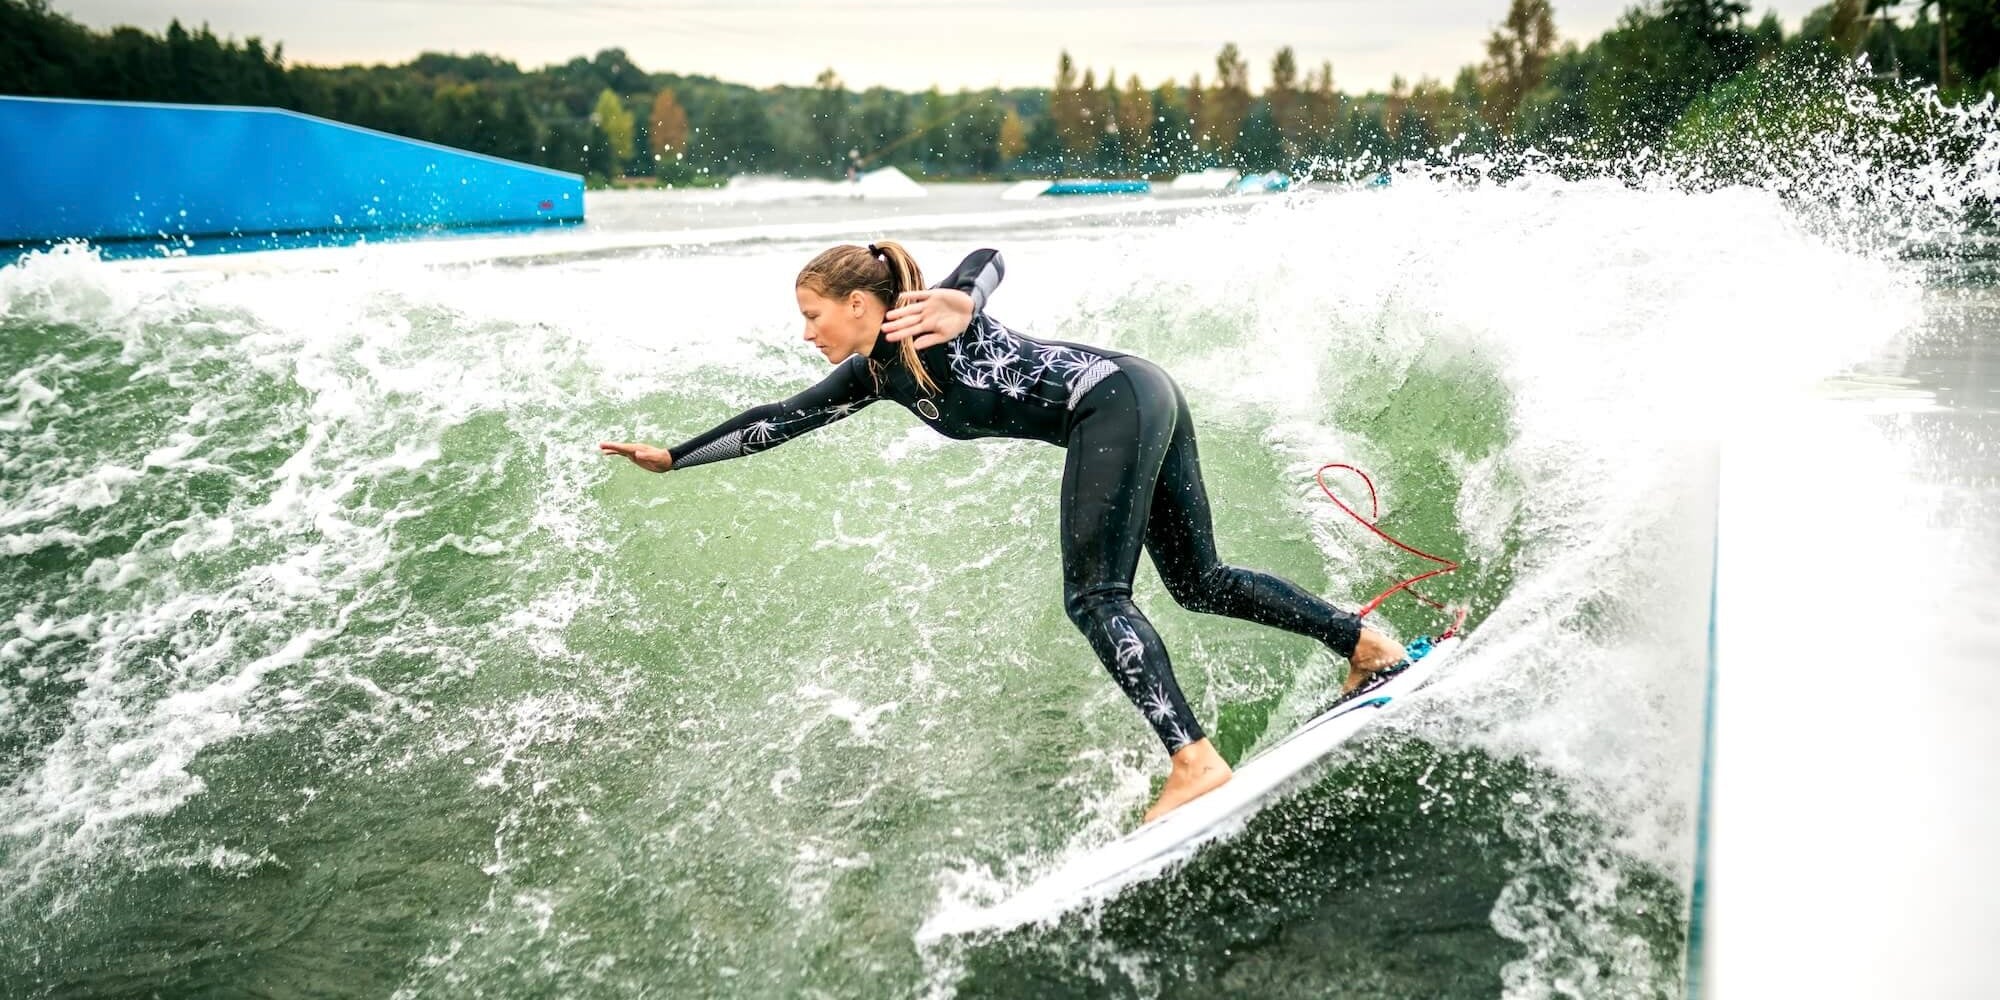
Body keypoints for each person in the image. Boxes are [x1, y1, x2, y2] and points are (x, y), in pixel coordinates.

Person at [600, 242, 1410, 824]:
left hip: (1114, 400)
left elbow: (986, 256)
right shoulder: (873, 375)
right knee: (1198, 581)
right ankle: (1365, 645)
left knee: (1095, 596)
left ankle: (1193, 762)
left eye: (813, 315)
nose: (807, 331)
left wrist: (966, 301)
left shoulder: (932, 315)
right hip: (1140, 392)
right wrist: (673, 458)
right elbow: (778, 420)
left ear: (858, 303)